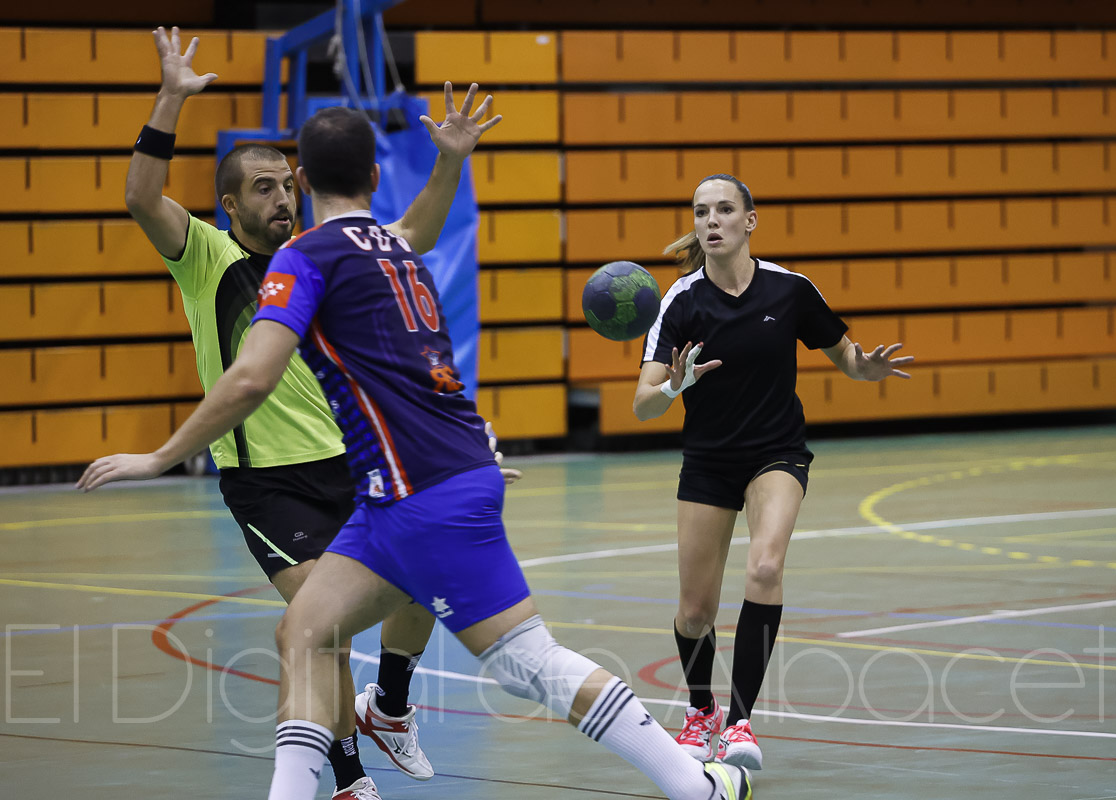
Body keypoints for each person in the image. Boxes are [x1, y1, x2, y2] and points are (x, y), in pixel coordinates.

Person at [79, 106, 751, 800]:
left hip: (417, 488)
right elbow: (418, 303)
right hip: (401, 487)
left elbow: (251, 376)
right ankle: (348, 764)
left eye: (287, 183)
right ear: (375, 175)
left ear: (303, 180)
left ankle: (695, 787)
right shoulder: (397, 249)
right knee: (305, 634)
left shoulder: (306, 257)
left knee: (527, 660)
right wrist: (451, 160)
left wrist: (159, 457)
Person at [122, 28, 509, 798]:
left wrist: (450, 159)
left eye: (286, 184)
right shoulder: (206, 257)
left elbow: (418, 234)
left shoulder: (325, 255)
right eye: (261, 188)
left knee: (424, 584)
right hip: (270, 483)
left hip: (352, 465)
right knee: (320, 625)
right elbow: (140, 196)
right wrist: (170, 98)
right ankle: (346, 777)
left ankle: (390, 708)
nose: (280, 197)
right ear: (228, 204)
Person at [633, 174, 914, 771]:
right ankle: (700, 710)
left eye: (724, 210)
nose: (712, 221)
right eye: (701, 211)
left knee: (765, 566)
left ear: (749, 221)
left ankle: (738, 721)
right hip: (708, 460)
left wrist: (870, 369)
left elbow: (848, 360)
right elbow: (643, 401)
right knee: (694, 612)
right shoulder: (679, 302)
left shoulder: (790, 291)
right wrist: (673, 387)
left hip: (775, 453)